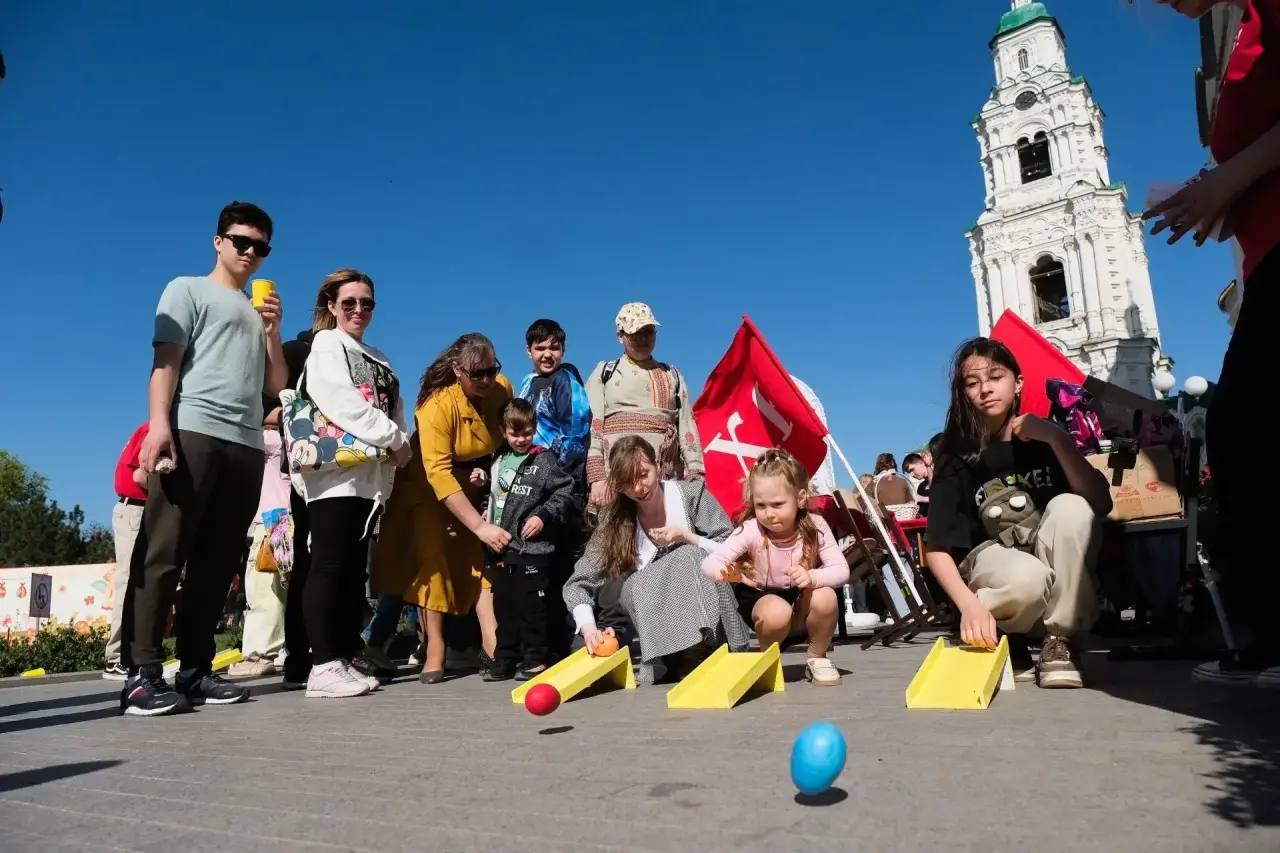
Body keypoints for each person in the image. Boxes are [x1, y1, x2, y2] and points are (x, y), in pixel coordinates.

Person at [1146, 0, 1280, 686]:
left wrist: (1226, 181)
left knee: (1248, 432)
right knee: (1246, 434)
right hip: (1265, 256)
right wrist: (1213, 197)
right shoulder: (1246, 32)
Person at [120, 201, 287, 717]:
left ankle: (194, 670)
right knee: (163, 553)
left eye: (261, 247)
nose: (250, 253)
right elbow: (164, 363)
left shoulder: (259, 311)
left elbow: (275, 388)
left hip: (245, 445)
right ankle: (140, 675)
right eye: (242, 242)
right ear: (218, 242)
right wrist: (160, 425)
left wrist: (272, 334)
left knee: (217, 564)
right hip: (193, 429)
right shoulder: (186, 289)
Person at [925, 338, 1111, 689]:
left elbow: (1099, 505)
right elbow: (937, 547)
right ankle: (1002, 633)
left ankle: (1061, 641)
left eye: (995, 376)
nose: (985, 389)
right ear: (963, 393)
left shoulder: (1045, 440)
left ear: (1018, 383)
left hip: (1057, 570)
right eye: (972, 383)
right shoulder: (956, 455)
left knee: (1071, 506)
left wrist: (1058, 439)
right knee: (1028, 577)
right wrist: (968, 605)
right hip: (1001, 569)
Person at [292, 269, 409, 698]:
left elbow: (394, 405)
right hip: (335, 473)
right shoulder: (326, 344)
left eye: (367, 303)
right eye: (349, 303)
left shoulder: (377, 354)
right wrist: (397, 440)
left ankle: (340, 656)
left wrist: (398, 444)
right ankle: (320, 663)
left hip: (368, 477)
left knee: (349, 570)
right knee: (327, 564)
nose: (359, 310)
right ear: (331, 307)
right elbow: (340, 401)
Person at [371, 333, 512, 683]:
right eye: (476, 374)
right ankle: (434, 645)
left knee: (477, 559)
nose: (485, 380)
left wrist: (489, 477)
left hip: (472, 478)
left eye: (490, 371)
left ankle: (492, 643)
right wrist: (480, 527)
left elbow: (504, 439)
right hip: (423, 482)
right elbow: (438, 472)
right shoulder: (435, 405)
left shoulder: (501, 389)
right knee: (433, 557)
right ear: (456, 369)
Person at [564, 436, 750, 685]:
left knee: (690, 555)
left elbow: (732, 548)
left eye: (643, 474)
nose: (638, 488)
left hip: (704, 599)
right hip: (651, 604)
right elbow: (577, 583)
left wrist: (687, 536)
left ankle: (703, 649)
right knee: (645, 578)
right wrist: (588, 628)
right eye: (627, 483)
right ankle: (689, 655)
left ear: (658, 466)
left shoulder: (693, 495)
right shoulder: (614, 520)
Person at [701, 449, 848, 686]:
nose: (768, 514)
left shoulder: (816, 526)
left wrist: (812, 576)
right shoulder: (750, 529)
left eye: (778, 504)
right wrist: (730, 574)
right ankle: (769, 658)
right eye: (761, 505)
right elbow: (709, 563)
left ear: (800, 498)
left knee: (826, 596)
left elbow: (842, 570)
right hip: (763, 603)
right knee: (777, 611)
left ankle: (817, 657)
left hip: (801, 601)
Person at [482, 399, 578, 682]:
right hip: (502, 547)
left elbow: (565, 490)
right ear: (503, 431)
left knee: (532, 608)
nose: (522, 439)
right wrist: (480, 481)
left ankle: (536, 659)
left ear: (534, 429)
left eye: (527, 432)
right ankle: (505, 659)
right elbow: (494, 498)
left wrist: (543, 516)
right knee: (505, 606)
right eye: (515, 433)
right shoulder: (498, 460)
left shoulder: (544, 459)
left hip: (534, 550)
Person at [517, 318, 592, 661]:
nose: (547, 354)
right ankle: (538, 641)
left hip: (562, 484)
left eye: (554, 347)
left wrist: (559, 478)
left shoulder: (567, 381)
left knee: (563, 562)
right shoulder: (527, 383)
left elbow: (576, 433)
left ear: (563, 349)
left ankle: (568, 639)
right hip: (528, 483)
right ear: (528, 351)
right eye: (540, 348)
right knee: (535, 564)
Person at [585, 303, 704, 514]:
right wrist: (596, 478)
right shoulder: (605, 373)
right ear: (620, 336)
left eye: (648, 332)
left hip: (662, 480)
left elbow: (686, 425)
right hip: (614, 479)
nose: (643, 339)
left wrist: (695, 475)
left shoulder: (671, 375)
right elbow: (594, 427)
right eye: (635, 333)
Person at [227, 409, 291, 679]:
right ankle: (286, 648)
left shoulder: (267, 438)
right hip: (288, 516)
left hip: (272, 519)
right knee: (288, 588)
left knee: (264, 589)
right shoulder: (295, 434)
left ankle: (261, 653)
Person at [279, 328, 316, 690]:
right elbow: (272, 407)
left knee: (337, 564)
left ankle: (326, 650)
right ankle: (300, 655)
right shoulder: (297, 351)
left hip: (343, 470)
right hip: (309, 470)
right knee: (309, 563)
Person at [104, 423, 148, 680]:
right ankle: (116, 656)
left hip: (135, 509)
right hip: (135, 509)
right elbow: (140, 477)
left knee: (138, 583)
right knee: (129, 582)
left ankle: (129, 652)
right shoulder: (151, 429)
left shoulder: (147, 428)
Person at [871, 453, 918, 520]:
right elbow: (911, 503)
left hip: (885, 521)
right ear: (894, 465)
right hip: (903, 519)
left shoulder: (874, 483)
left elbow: (863, 502)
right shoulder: (903, 481)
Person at [903, 451, 933, 518]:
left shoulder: (942, 477)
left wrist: (922, 498)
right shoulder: (921, 487)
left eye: (912, 469)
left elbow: (943, 498)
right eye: (909, 472)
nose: (911, 474)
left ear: (922, 463)